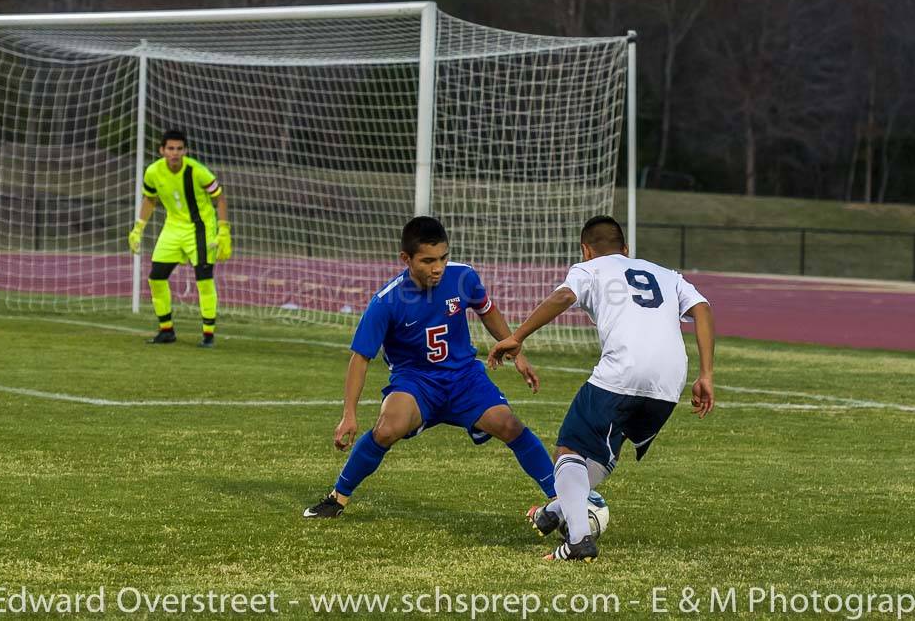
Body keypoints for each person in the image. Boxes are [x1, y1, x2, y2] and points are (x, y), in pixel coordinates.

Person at [487, 215, 715, 562]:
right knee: (605, 452)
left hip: (623, 370)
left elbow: (564, 295)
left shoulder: (588, 269)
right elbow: (702, 308)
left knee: (569, 451)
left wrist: (517, 336)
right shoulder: (667, 275)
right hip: (670, 381)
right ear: (626, 249)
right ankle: (558, 509)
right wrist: (707, 374)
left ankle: (578, 540)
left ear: (586, 250)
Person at [304, 216, 556, 518]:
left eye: (443, 258)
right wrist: (349, 415)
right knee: (387, 429)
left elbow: (487, 311)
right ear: (405, 259)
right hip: (415, 382)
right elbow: (360, 359)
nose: (438, 267)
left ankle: (561, 497)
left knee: (510, 425)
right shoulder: (386, 301)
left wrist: (517, 351)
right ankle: (337, 497)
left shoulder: (463, 277)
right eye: (427, 260)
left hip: (464, 378)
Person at [128, 129, 231, 348]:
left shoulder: (197, 171)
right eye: (170, 149)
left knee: (204, 279)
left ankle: (208, 335)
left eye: (179, 149)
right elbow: (150, 199)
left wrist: (223, 230)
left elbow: (220, 199)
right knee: (156, 277)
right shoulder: (153, 172)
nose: (175, 153)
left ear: (185, 151)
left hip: (201, 228)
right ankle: (166, 331)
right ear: (162, 150)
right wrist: (138, 228)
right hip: (173, 228)